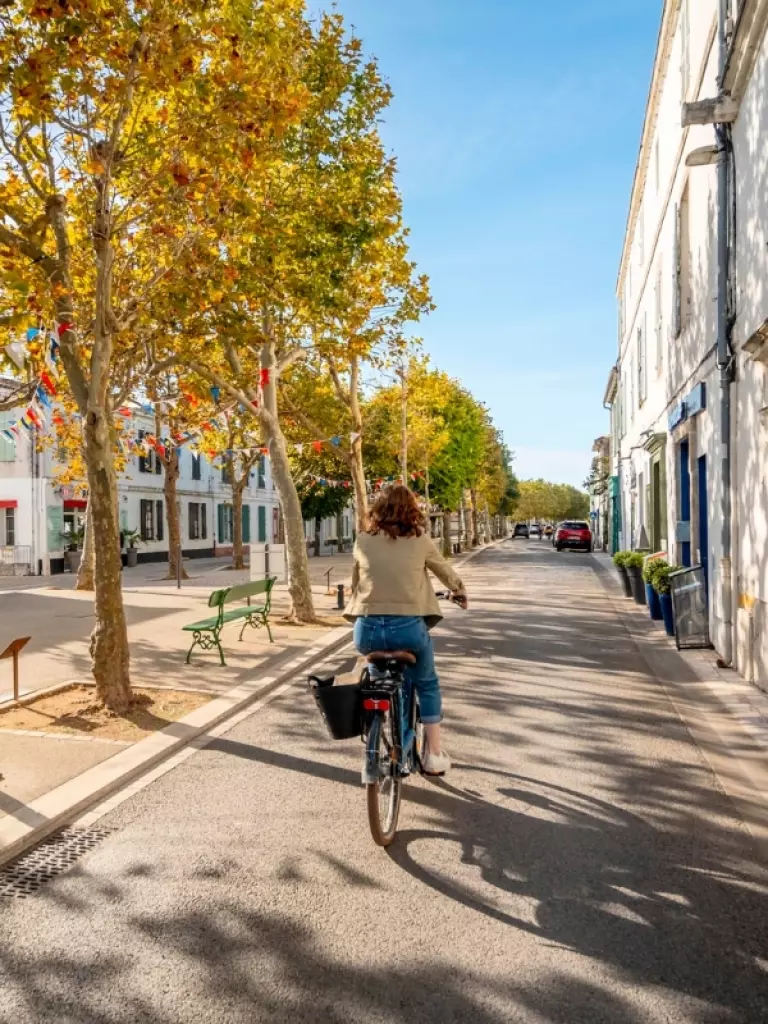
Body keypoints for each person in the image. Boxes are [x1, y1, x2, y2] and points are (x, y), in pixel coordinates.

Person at [345, 485, 467, 776]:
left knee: (378, 682)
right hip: (408, 630)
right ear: (412, 510)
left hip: (367, 631)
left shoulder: (362, 539)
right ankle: (433, 755)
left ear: (378, 508)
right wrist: (458, 590)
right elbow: (443, 570)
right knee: (427, 683)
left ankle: (379, 731)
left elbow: (355, 583)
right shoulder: (419, 540)